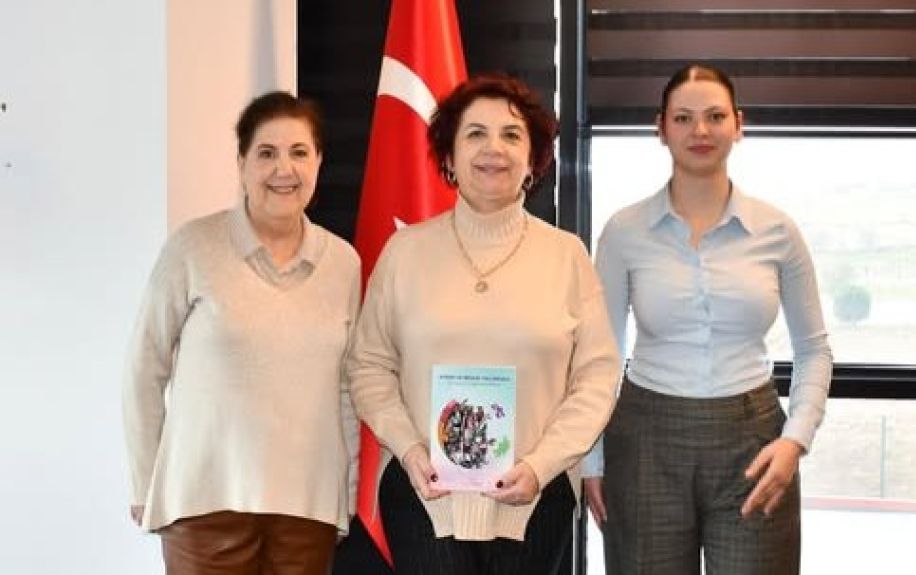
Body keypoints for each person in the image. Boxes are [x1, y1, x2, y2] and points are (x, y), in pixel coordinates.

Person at [347, 73, 621, 574]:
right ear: (449, 158)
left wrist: (541, 465)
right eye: (475, 133)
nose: (494, 148)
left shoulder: (566, 256)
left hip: (536, 497)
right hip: (423, 493)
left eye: (511, 135)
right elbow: (368, 366)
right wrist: (408, 449)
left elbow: (597, 377)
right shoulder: (405, 252)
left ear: (533, 160)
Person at [582, 64, 833, 575]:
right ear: (661, 128)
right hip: (645, 440)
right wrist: (591, 459)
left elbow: (814, 350)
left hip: (755, 443)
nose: (700, 130)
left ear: (739, 125)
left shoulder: (777, 231)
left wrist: (795, 440)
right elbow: (600, 354)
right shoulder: (624, 231)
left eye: (715, 116)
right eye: (683, 118)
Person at [122, 91, 360, 574]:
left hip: (307, 511)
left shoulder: (344, 263)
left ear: (318, 162)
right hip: (204, 506)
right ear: (242, 164)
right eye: (266, 153)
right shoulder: (193, 247)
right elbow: (143, 369)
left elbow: (346, 389)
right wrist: (146, 482)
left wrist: (348, 491)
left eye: (299, 152)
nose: (283, 169)